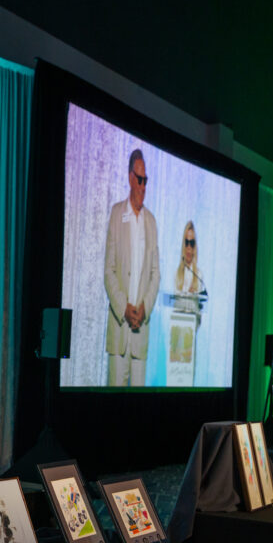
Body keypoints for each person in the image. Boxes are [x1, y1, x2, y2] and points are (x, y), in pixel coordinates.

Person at [104, 149, 160, 387]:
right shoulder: (117, 213)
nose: (142, 186)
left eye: (145, 180)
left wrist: (143, 309)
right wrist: (123, 307)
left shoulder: (151, 221)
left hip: (140, 331)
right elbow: (109, 270)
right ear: (130, 178)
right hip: (119, 329)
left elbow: (155, 273)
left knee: (138, 408)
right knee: (113, 406)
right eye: (139, 179)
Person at [174, 220, 204, 294]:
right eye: (187, 242)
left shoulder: (199, 275)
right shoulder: (177, 274)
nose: (189, 247)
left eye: (192, 243)